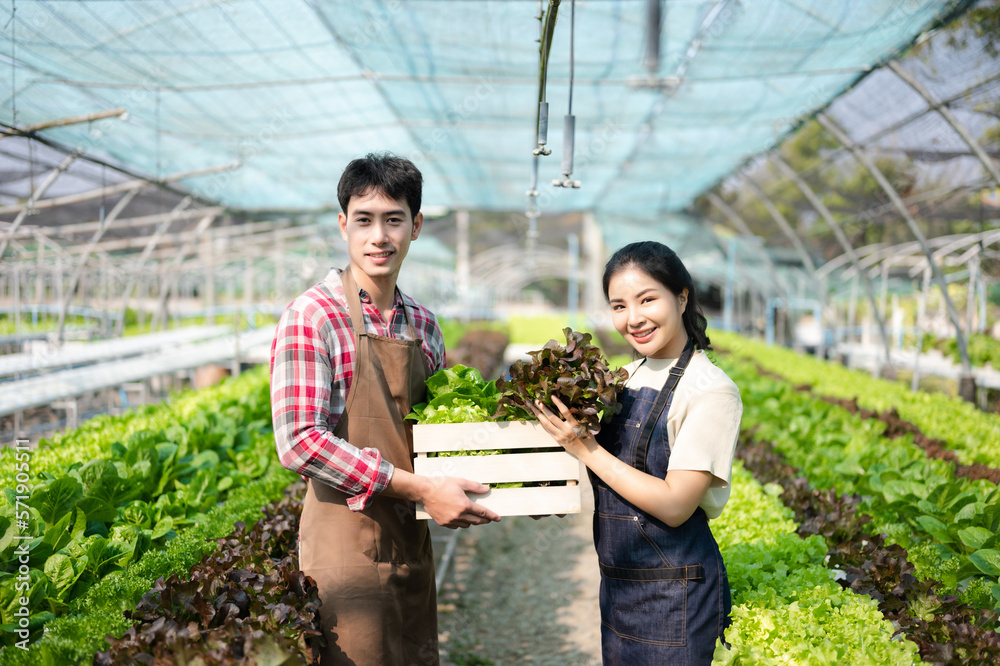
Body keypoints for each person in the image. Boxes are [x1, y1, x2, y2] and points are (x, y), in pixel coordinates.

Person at [269, 153, 500, 665]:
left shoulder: (425, 324)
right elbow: (300, 442)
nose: (379, 236)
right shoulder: (313, 316)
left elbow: (434, 432)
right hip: (344, 546)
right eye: (364, 220)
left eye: (394, 219)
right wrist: (421, 487)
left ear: (415, 226)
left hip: (413, 537)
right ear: (342, 225)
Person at [528, 240, 741, 665]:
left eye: (647, 300)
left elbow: (676, 504)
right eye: (619, 305)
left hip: (675, 594)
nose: (634, 318)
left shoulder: (710, 390)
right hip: (620, 583)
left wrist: (583, 448)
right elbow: (611, 472)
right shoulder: (626, 375)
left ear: (681, 297)